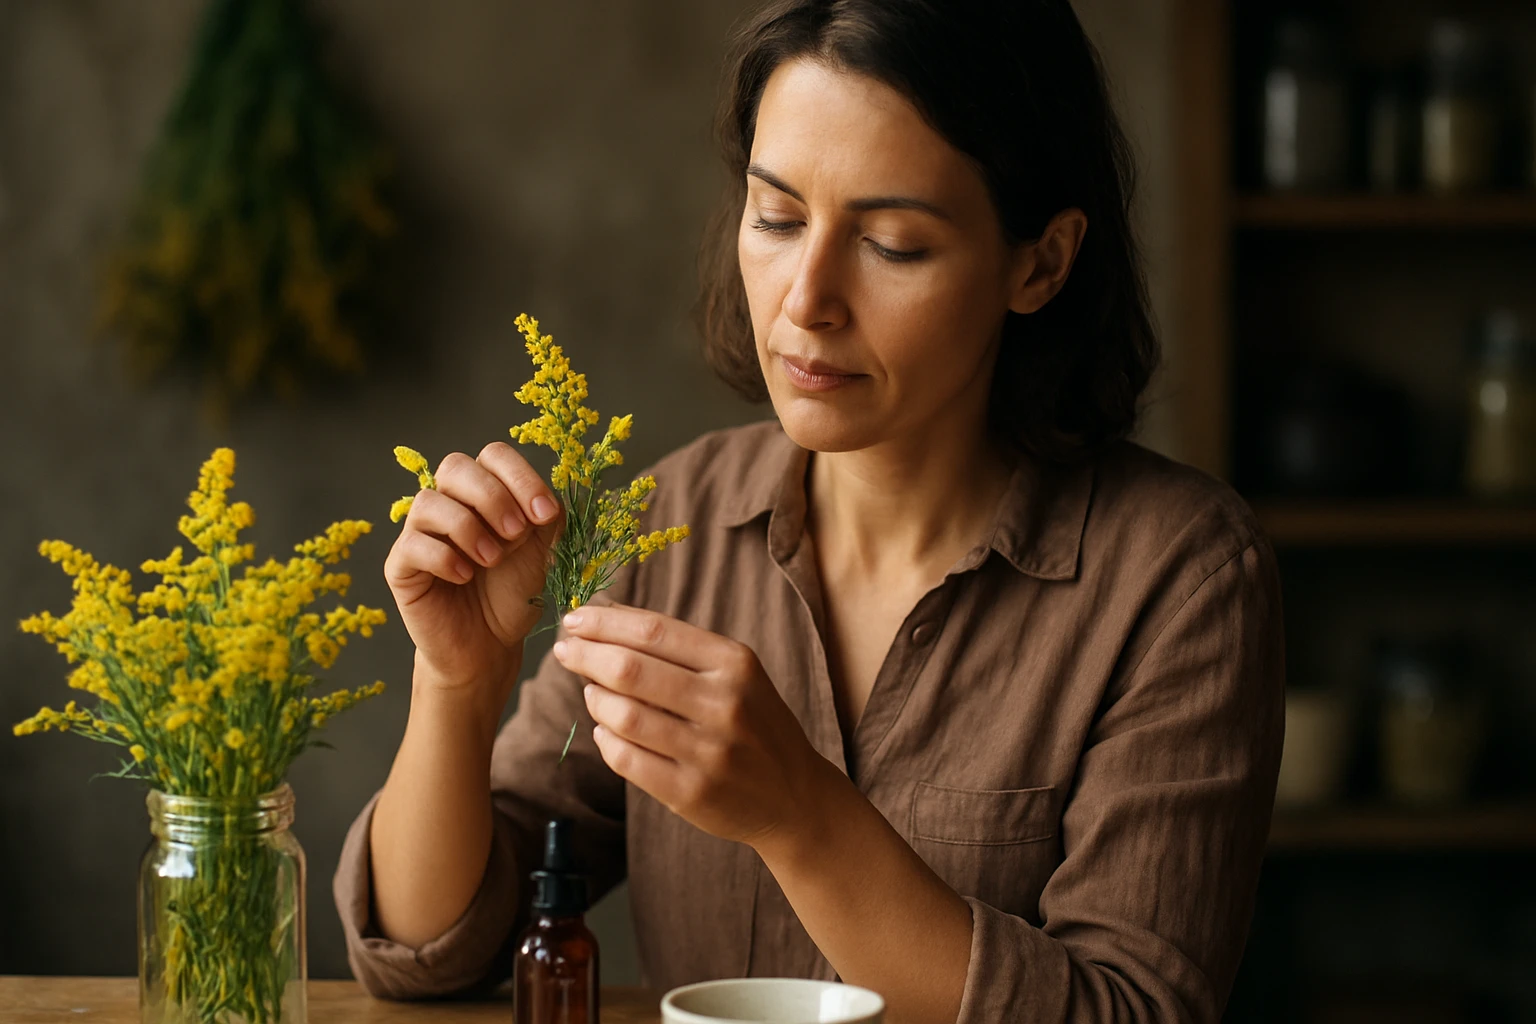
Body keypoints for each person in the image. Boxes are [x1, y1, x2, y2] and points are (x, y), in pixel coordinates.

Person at [333, 2, 1285, 1021]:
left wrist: (800, 815)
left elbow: (1132, 1012)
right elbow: (430, 949)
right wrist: (458, 681)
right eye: (777, 219)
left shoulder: (1181, 579)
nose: (806, 299)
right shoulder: (677, 521)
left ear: (1039, 263)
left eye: (892, 244)